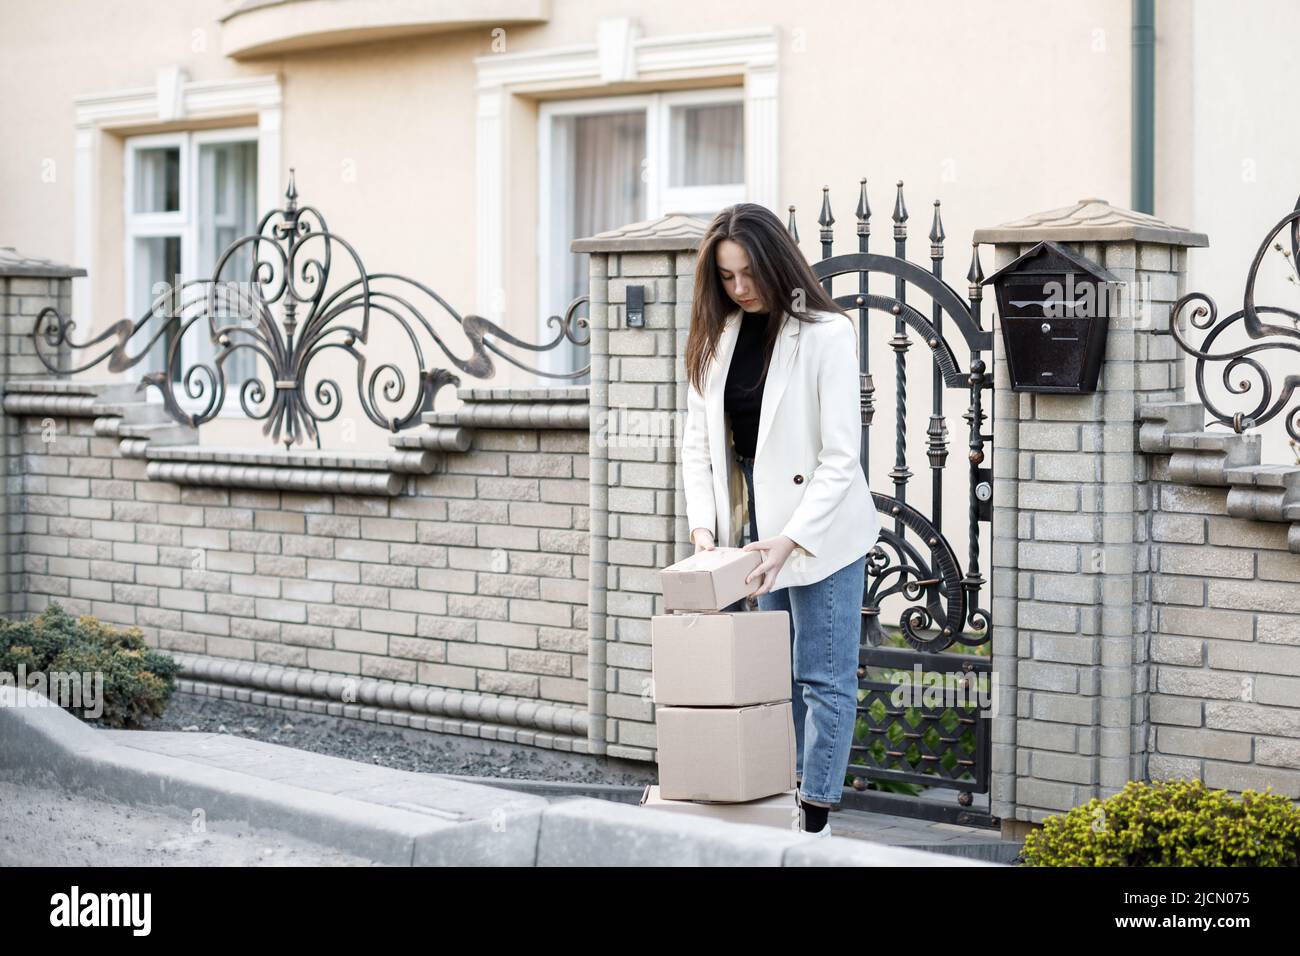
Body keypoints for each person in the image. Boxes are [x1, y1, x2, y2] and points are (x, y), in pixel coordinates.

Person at [679, 202, 882, 836]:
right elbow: (697, 442)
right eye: (727, 278)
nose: (739, 289)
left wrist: (791, 540)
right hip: (749, 538)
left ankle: (815, 820)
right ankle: (775, 803)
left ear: (775, 262)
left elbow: (841, 458)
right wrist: (705, 531)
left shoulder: (826, 333)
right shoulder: (717, 339)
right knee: (773, 681)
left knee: (822, 678)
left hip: (820, 535)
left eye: (748, 274)